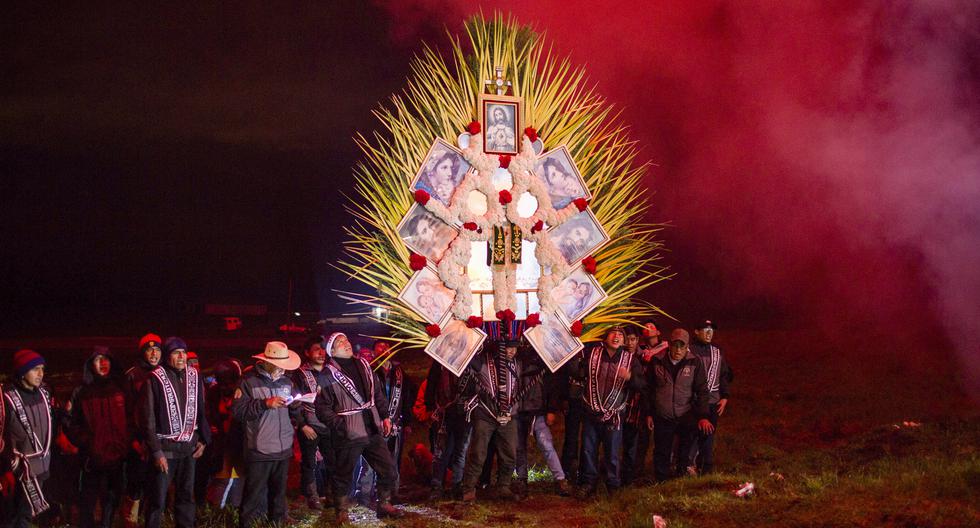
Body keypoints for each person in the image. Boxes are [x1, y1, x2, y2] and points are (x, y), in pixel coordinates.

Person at [314, 333, 402, 523]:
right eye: (339, 342)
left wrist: (385, 416)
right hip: (349, 433)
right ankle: (341, 511)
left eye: (346, 340)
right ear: (332, 350)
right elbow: (322, 409)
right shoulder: (327, 375)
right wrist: (341, 426)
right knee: (343, 474)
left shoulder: (364, 365)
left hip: (372, 428)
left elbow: (376, 393)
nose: (346, 343)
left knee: (388, 469)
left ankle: (384, 503)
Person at [141, 336, 210, 528]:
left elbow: (202, 411)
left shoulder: (194, 376)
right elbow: (148, 418)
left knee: (186, 497)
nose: (181, 357)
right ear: (167, 356)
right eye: (176, 353)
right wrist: (156, 451)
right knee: (157, 500)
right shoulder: (155, 377)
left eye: (184, 353)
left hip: (188, 449)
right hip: (165, 450)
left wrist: (203, 440)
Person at [232, 341, 302, 528]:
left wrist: (295, 406)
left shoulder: (287, 382)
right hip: (259, 448)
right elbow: (238, 412)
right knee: (253, 494)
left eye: (284, 367)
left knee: (278, 493)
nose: (283, 370)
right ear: (267, 362)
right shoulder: (248, 382)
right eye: (280, 367)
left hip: (283, 447)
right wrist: (264, 404)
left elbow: (294, 414)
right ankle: (247, 523)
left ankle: (277, 522)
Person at [458, 338, 536, 502]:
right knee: (478, 452)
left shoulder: (518, 363)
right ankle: (469, 488)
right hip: (485, 414)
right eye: (508, 347)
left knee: (509, 453)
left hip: (509, 415)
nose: (511, 351)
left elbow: (536, 358)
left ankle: (504, 486)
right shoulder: (483, 362)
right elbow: (465, 357)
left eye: (514, 348)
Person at [571, 326, 646, 496]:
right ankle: (588, 483)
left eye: (621, 334)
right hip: (591, 412)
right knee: (588, 450)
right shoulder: (592, 353)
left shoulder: (630, 360)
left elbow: (642, 385)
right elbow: (578, 372)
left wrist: (630, 378)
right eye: (613, 333)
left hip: (614, 415)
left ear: (624, 340)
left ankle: (613, 485)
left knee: (612, 452)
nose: (616, 337)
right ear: (605, 338)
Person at [67, 346, 132, 528]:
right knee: (88, 499)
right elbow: (71, 423)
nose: (103, 363)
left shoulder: (121, 389)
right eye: (98, 359)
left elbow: (132, 418)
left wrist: (125, 443)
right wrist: (86, 443)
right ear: (90, 365)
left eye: (106, 359)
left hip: (117, 456)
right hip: (91, 458)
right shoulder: (81, 392)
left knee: (112, 497)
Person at [646, 329, 713, 482]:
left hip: (685, 414)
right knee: (662, 450)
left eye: (681, 347)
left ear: (687, 347)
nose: (678, 350)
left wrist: (703, 416)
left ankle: (681, 478)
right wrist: (649, 413)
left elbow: (702, 390)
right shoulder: (657, 360)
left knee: (684, 449)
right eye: (675, 345)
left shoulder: (694, 362)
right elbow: (649, 388)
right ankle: (661, 481)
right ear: (669, 345)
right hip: (663, 415)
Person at [353, 341, 415, 504]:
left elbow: (406, 399)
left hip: (394, 424)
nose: (384, 349)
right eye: (380, 346)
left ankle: (391, 494)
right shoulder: (368, 371)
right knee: (371, 462)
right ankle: (365, 495)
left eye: (387, 346)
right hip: (374, 424)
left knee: (393, 461)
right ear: (373, 351)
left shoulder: (400, 373)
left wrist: (408, 422)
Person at [1, 349, 52, 528]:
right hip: (18, 471)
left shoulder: (44, 394)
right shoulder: (6, 398)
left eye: (42, 369)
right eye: (35, 369)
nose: (40, 373)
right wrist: (5, 468)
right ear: (23, 372)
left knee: (27, 515)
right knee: (13, 517)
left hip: (41, 468)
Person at [514, 351, 571, 497]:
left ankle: (560, 480)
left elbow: (552, 385)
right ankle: (522, 479)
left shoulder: (543, 357)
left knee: (546, 444)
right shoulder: (514, 358)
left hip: (538, 410)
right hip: (517, 410)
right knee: (519, 447)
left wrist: (551, 409)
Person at [123, 333, 163, 527]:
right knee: (135, 484)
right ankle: (131, 521)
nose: (154, 354)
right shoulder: (133, 375)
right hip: (139, 442)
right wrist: (134, 441)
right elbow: (127, 412)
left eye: (157, 350)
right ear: (142, 352)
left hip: (159, 441)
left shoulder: (165, 373)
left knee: (155, 486)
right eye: (150, 349)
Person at [289, 335, 332, 510]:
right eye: (316, 349)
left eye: (323, 350)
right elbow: (294, 401)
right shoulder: (299, 374)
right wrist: (302, 425)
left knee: (332, 461)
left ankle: (331, 495)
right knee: (309, 463)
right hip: (309, 425)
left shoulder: (331, 371)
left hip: (330, 425)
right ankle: (312, 496)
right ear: (307, 352)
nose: (321, 353)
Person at [687, 320, 733, 475]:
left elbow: (724, 374)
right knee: (691, 433)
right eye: (705, 329)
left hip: (713, 400)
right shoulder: (689, 350)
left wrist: (725, 396)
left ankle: (705, 468)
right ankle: (687, 465)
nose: (709, 333)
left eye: (711, 330)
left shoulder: (717, 351)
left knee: (708, 434)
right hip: (691, 400)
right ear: (696, 331)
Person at [423, 360, 470, 500]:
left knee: (460, 451)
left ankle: (457, 484)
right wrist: (431, 407)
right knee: (442, 451)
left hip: (463, 413)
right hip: (445, 413)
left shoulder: (467, 360)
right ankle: (437, 486)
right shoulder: (440, 362)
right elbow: (431, 384)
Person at [203, 358, 244, 509]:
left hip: (240, 439)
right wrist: (215, 425)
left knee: (238, 476)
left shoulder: (242, 389)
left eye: (229, 383)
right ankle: (216, 510)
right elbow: (211, 412)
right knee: (222, 476)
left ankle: (233, 506)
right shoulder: (215, 392)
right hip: (223, 440)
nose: (226, 387)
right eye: (223, 383)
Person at [621, 327, 652, 485]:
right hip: (621, 405)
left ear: (637, 340)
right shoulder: (620, 355)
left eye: (633, 339)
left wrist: (630, 378)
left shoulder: (644, 357)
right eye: (627, 339)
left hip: (638, 406)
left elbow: (645, 384)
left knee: (636, 443)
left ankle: (632, 476)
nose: (629, 343)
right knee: (623, 442)